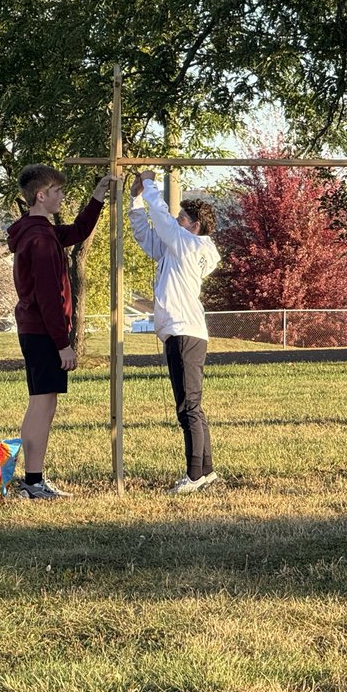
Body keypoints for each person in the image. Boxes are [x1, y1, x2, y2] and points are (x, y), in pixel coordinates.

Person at [6, 164, 114, 499]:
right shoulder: (39, 240)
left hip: (35, 330)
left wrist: (98, 197)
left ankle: (32, 479)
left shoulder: (40, 231)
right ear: (41, 195)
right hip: (41, 333)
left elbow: (78, 231)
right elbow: (49, 296)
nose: (61, 196)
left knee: (42, 402)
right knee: (42, 404)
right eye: (57, 191)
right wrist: (62, 344)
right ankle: (33, 481)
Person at [130, 170, 222, 494]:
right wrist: (135, 199)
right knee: (192, 406)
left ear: (194, 225)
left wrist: (148, 184)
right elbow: (145, 233)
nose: (176, 219)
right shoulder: (178, 248)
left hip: (184, 333)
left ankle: (195, 475)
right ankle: (206, 471)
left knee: (188, 408)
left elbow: (161, 218)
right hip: (184, 332)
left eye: (182, 217)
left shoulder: (188, 244)